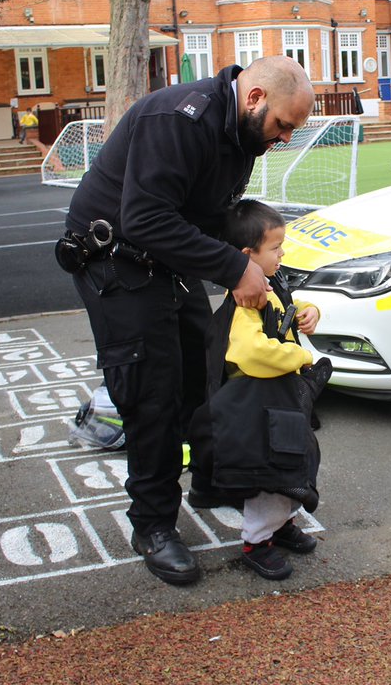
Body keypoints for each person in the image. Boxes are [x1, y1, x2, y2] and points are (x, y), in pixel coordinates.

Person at [59, 56, 315, 586]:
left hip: (167, 260)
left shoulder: (242, 134)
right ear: (255, 98)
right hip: (115, 260)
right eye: (283, 125)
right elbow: (145, 218)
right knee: (153, 391)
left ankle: (225, 490)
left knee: (206, 376)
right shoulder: (177, 120)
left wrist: (269, 275)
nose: (284, 138)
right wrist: (232, 267)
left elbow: (210, 216)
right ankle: (152, 525)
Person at [190, 199, 325, 580]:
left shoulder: (271, 285)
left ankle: (278, 526)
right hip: (255, 412)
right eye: (276, 247)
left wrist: (309, 311)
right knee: (272, 475)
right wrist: (298, 357)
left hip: (276, 405)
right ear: (247, 256)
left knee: (292, 464)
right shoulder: (246, 303)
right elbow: (250, 353)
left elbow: (285, 311)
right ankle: (256, 542)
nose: (283, 253)